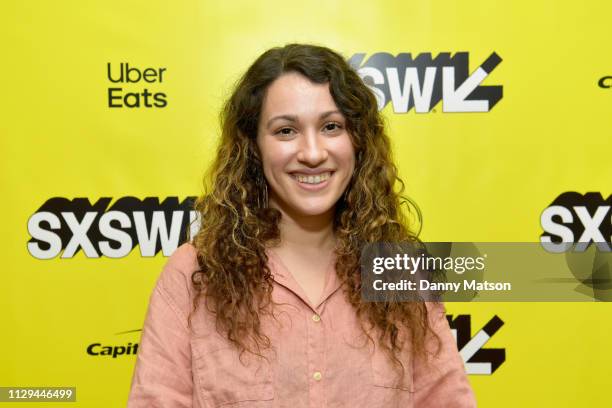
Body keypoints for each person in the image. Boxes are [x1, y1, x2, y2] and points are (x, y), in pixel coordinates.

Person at [127, 43, 476, 407]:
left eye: (330, 126)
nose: (312, 153)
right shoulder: (194, 272)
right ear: (254, 147)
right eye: (286, 131)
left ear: (358, 141)